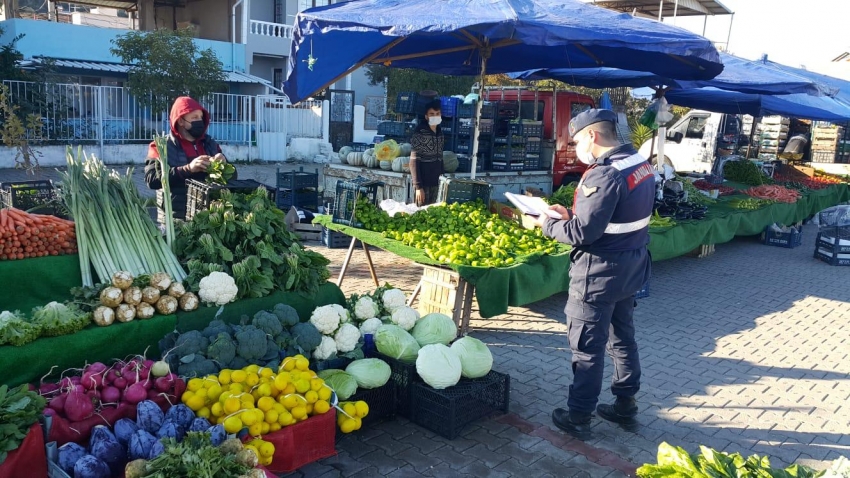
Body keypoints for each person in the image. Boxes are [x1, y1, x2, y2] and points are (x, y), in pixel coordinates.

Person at [532, 109, 654, 438]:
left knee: (587, 346)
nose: (574, 148)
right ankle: (625, 402)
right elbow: (611, 217)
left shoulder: (605, 174)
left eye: (575, 141)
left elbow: (583, 233)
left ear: (592, 136)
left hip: (599, 274)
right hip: (631, 268)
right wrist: (569, 213)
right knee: (623, 338)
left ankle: (579, 415)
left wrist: (545, 223)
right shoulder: (640, 165)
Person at [145, 96, 235, 221]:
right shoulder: (160, 146)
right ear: (180, 121)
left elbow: (233, 177)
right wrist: (188, 169)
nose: (200, 121)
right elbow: (151, 179)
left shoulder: (210, 144)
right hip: (175, 218)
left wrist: (225, 165)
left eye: (200, 117)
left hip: (208, 218)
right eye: (194, 118)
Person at [409, 99, 445, 206]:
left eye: (437, 114)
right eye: (432, 114)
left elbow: (440, 158)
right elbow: (413, 162)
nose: (435, 116)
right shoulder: (419, 132)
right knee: (421, 216)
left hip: (437, 183)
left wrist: (443, 178)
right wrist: (418, 187)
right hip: (423, 185)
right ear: (426, 116)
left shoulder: (440, 133)